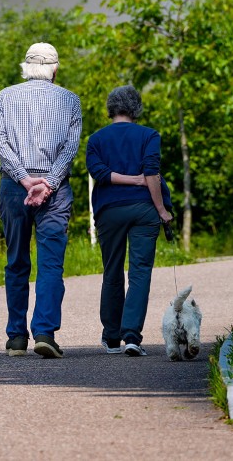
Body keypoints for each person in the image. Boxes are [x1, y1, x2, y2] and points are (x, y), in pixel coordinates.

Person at [0, 42, 82, 359]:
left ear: (26, 68)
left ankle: (17, 337)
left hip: (15, 188)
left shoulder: (6, 96)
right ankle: (44, 333)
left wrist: (24, 178)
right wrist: (50, 183)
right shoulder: (70, 100)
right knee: (50, 263)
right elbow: (70, 148)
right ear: (55, 69)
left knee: (16, 260)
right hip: (54, 191)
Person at [85, 85, 173, 357]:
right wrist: (162, 210)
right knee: (140, 272)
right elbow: (152, 173)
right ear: (136, 108)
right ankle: (132, 336)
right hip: (144, 209)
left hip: (109, 210)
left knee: (112, 270)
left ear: (111, 108)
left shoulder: (96, 139)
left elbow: (99, 173)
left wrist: (129, 180)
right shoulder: (149, 135)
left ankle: (112, 337)